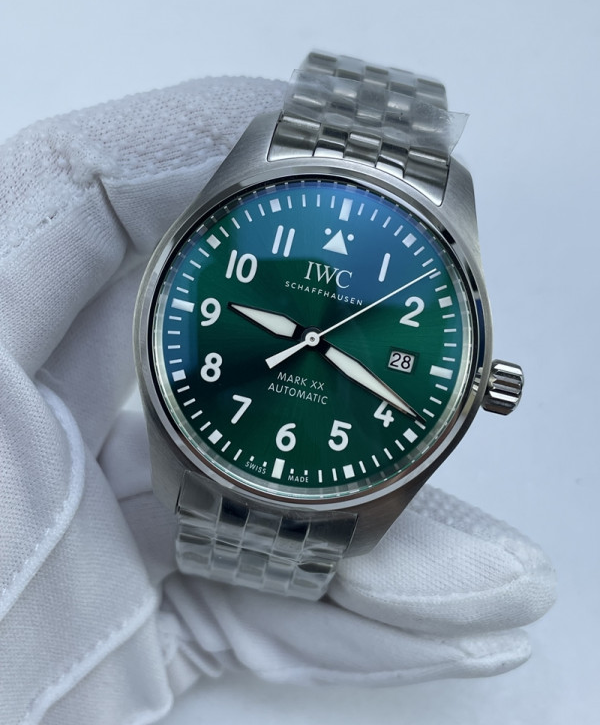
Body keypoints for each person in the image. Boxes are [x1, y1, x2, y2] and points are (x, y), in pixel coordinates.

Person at [0, 75, 555, 724]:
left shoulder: (434, 308)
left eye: (322, 339)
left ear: (486, 382)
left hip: (292, 454)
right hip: (213, 434)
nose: (314, 339)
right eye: (307, 335)